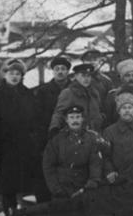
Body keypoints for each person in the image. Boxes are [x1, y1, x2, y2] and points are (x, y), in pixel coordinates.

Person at [7, 150, 133, 216]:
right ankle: (19, 213)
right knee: (59, 205)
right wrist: (92, 188)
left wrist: (127, 214)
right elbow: (112, 181)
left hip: (108, 211)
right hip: (98, 198)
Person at [0, 59, 37, 216]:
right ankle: (9, 211)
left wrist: (33, 140)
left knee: (25, 180)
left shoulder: (28, 95)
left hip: (25, 145)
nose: (14, 77)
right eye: (11, 73)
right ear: (5, 74)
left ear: (22, 76)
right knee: (7, 182)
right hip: (5, 146)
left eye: (18, 74)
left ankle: (25, 212)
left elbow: (35, 120)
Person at [42, 105, 103, 200]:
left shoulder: (91, 139)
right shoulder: (57, 140)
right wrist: (56, 189)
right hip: (61, 190)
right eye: (72, 117)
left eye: (78, 117)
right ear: (66, 120)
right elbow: (48, 166)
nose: (75, 121)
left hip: (84, 190)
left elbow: (95, 165)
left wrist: (89, 186)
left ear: (82, 119)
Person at [33, 56, 72, 202]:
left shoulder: (74, 89)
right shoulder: (43, 91)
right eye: (57, 69)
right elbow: (38, 116)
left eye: (63, 69)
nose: (60, 72)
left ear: (68, 71)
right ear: (53, 71)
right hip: (50, 135)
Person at [102, 92, 133, 183]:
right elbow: (105, 156)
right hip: (118, 177)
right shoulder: (109, 131)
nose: (127, 111)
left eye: (130, 108)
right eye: (123, 108)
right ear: (118, 111)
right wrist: (110, 171)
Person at [49, 62, 104, 137]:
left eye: (88, 76)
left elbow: (99, 111)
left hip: (94, 135)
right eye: (83, 76)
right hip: (75, 135)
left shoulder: (95, 93)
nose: (86, 79)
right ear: (76, 76)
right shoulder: (68, 93)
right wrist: (54, 129)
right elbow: (59, 113)